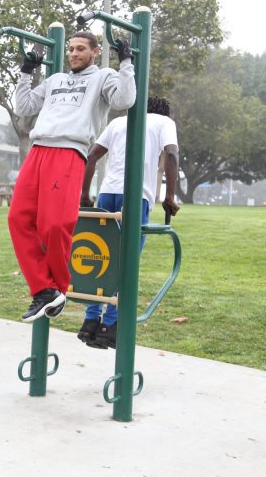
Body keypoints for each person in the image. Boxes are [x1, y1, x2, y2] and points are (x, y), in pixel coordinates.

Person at [11, 31, 136, 322]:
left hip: (69, 151)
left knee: (55, 224)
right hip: (38, 149)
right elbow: (23, 107)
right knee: (18, 218)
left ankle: (56, 287)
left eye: (81, 49)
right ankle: (45, 290)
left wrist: (126, 61)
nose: (74, 53)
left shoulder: (103, 76)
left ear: (94, 51)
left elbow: (125, 99)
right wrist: (27, 71)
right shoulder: (55, 80)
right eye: (71, 49)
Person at [78, 96, 180, 348]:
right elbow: (171, 154)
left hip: (107, 193)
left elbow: (91, 156)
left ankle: (90, 321)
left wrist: (84, 194)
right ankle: (110, 326)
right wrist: (169, 196)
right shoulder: (164, 122)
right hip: (135, 195)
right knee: (126, 261)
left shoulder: (119, 122)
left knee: (101, 257)